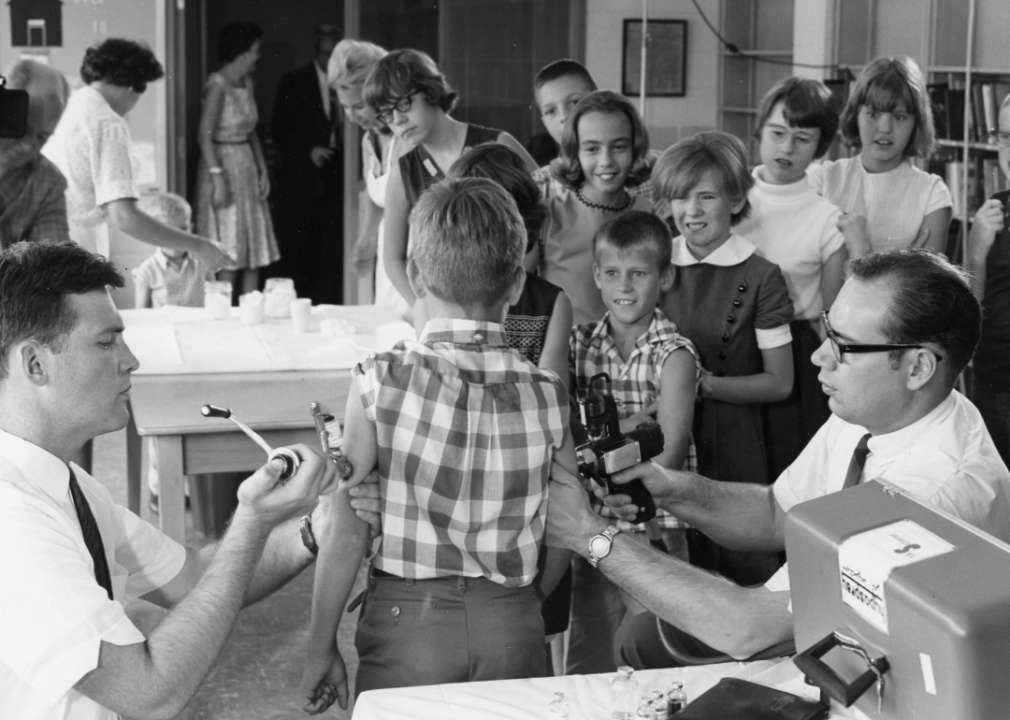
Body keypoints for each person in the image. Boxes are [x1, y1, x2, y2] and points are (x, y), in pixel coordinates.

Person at [545, 249, 1010, 668]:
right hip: (813, 629)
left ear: (918, 367)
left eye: (844, 347)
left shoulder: (930, 498)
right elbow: (778, 513)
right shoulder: (879, 408)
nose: (819, 359)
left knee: (642, 646)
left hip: (855, 666)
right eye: (829, 332)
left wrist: (590, 536)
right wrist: (670, 490)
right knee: (641, 638)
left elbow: (750, 631)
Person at [0, 239, 334, 720]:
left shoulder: (66, 483)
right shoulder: (15, 524)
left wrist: (316, 529)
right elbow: (149, 693)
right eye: (105, 341)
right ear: (35, 364)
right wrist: (252, 520)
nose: (130, 360)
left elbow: (194, 577)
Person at [300, 178, 577, 710]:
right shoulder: (548, 393)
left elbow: (347, 533)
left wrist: (320, 647)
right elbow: (567, 527)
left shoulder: (378, 379)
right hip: (512, 622)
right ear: (517, 284)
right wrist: (525, 604)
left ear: (418, 276)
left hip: (408, 625)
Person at [445, 142, 574, 669]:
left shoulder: (550, 302)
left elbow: (553, 402)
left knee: (532, 645)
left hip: (526, 483)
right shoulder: (443, 299)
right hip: (458, 480)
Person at [653, 131, 794, 586]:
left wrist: (703, 386)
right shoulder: (655, 263)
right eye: (679, 197)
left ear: (735, 201)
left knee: (739, 574)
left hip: (734, 440)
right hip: (664, 435)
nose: (690, 211)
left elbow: (779, 382)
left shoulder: (762, 275)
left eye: (706, 196)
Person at [565, 210, 700, 674]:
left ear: (665, 278)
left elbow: (669, 456)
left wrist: (601, 437)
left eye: (639, 273)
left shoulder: (675, 355)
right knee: (592, 650)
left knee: (655, 647)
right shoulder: (577, 345)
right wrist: (635, 425)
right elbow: (564, 434)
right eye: (613, 273)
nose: (625, 286)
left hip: (656, 525)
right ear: (597, 278)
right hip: (594, 520)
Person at [363, 48, 535, 310]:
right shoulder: (404, 170)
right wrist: (426, 310)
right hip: (445, 315)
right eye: (387, 114)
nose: (397, 120)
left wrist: (514, 296)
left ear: (430, 91)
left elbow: (543, 216)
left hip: (512, 301)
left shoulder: (499, 144)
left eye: (403, 105)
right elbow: (392, 259)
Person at [734, 77, 847, 470]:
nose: (786, 147)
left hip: (792, 357)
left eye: (802, 138)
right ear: (759, 130)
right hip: (725, 343)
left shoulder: (828, 220)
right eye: (777, 133)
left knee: (784, 468)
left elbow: (830, 319)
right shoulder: (728, 194)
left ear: (820, 146)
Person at [42, 39, 229, 275]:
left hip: (44, 246)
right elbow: (125, 217)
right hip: (75, 253)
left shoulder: (71, 105)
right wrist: (200, 245)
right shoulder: (108, 122)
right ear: (133, 87)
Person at [807, 56, 951, 256]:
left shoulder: (932, 194)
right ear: (855, 115)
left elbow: (923, 285)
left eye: (899, 117)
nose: (885, 128)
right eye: (873, 114)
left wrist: (862, 251)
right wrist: (902, 263)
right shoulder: (822, 179)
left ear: (916, 123)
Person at [539, 90, 655, 326]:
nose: (606, 161)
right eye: (592, 149)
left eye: (619, 147)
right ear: (575, 152)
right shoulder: (548, 215)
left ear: (635, 149)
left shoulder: (651, 215)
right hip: (564, 354)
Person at [196, 21, 279, 300]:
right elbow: (204, 136)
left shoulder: (247, 83)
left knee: (253, 247)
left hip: (245, 164)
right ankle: (225, 315)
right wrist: (218, 178)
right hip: (221, 166)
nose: (258, 56)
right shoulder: (217, 85)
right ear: (241, 52)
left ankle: (251, 309)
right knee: (230, 246)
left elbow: (251, 131)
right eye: (255, 50)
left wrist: (262, 170)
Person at [327, 38, 407, 314]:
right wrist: (366, 238)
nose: (351, 116)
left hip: (412, 261)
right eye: (344, 108)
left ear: (379, 93)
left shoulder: (407, 139)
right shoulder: (368, 141)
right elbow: (377, 197)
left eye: (358, 106)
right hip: (388, 260)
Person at [271, 24, 344, 305]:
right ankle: (300, 301)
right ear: (316, 52)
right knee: (301, 243)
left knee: (331, 244)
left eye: (333, 54)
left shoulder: (346, 79)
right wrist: (307, 150)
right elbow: (280, 129)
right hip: (304, 173)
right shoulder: (295, 80)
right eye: (324, 54)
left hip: (339, 170)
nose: (328, 61)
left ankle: (329, 300)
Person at [965, 92, 1010, 466]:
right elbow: (970, 306)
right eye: (1008, 137)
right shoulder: (996, 206)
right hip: (994, 376)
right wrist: (976, 249)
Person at [0, 59, 69, 248]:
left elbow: (54, 265)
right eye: (23, 129)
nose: (28, 146)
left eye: (42, 137)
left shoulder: (48, 181)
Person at [132, 191, 210, 309]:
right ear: (155, 234)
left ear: (191, 227)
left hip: (198, 326)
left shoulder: (203, 263)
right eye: (171, 231)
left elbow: (215, 301)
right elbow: (141, 316)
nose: (180, 236)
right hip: (164, 327)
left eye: (184, 228)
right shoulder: (146, 272)